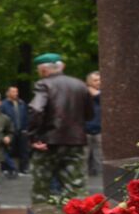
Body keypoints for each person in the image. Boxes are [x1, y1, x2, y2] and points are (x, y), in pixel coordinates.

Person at [29, 53, 94, 206]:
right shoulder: (80, 85)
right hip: (76, 142)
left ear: (44, 70)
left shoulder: (43, 84)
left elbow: (37, 110)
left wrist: (33, 137)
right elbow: (89, 114)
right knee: (76, 187)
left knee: (41, 189)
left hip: (48, 142)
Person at [0, 84, 30, 177]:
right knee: (8, 150)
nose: (15, 93)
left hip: (21, 130)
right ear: (8, 93)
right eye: (13, 91)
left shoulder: (21, 103)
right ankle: (7, 168)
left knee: (23, 150)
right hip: (9, 130)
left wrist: (26, 128)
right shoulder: (4, 104)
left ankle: (23, 169)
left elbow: (25, 116)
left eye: (16, 91)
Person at [85, 70, 102, 177]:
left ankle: (101, 177)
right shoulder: (84, 93)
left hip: (100, 130)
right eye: (95, 80)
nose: (98, 82)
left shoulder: (105, 94)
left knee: (99, 156)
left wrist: (96, 94)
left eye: (100, 80)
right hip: (85, 129)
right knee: (85, 157)